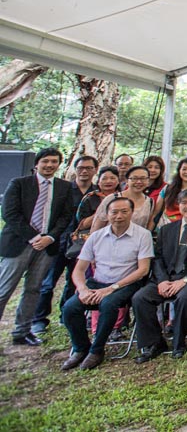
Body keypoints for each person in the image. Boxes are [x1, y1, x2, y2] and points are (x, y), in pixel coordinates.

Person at [60, 196, 153, 370]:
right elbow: (79, 269)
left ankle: (97, 350)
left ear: (132, 213)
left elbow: (143, 270)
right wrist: (82, 289)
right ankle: (81, 348)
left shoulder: (143, 235)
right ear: (107, 214)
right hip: (97, 282)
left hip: (126, 284)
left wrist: (112, 289)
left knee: (108, 305)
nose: (119, 216)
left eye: (124, 212)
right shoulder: (96, 236)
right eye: (114, 212)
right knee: (70, 308)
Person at [132, 189, 187, 361]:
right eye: (184, 202)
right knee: (140, 298)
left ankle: (179, 343)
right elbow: (157, 258)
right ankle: (154, 343)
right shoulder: (166, 230)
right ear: (178, 205)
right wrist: (163, 280)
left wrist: (185, 280)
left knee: (185, 298)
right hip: (166, 279)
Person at [0, 148, 75, 346]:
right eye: (46, 161)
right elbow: (9, 214)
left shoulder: (64, 187)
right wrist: (34, 237)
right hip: (19, 244)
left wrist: (50, 237)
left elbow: (66, 216)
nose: (50, 165)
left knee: (34, 289)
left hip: (47, 247)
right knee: (4, 289)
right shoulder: (19, 184)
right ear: (37, 163)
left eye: (54, 161)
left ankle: (22, 332)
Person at [32, 155, 99, 335]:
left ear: (95, 170)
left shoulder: (97, 193)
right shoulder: (63, 189)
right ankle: (39, 319)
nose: (84, 171)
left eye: (88, 168)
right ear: (75, 169)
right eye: (81, 168)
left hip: (82, 245)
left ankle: (65, 314)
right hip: (58, 241)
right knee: (48, 282)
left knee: (74, 280)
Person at [92, 166, 154, 232]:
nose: (139, 182)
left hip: (136, 241)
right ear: (127, 181)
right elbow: (96, 229)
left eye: (143, 178)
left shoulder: (150, 202)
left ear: (148, 181)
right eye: (134, 178)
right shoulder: (112, 198)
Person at [152, 157, 187, 227]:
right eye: (184, 169)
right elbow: (155, 213)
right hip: (166, 228)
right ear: (179, 171)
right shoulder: (167, 189)